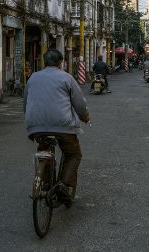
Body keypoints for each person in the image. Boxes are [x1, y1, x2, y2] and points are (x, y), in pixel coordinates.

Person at [24, 49, 90, 206]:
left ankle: (45, 182)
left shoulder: (33, 78)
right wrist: (85, 117)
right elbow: (79, 104)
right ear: (61, 63)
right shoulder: (66, 77)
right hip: (63, 127)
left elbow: (26, 101)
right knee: (73, 154)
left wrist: (31, 121)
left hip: (36, 126)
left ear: (44, 62)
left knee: (43, 149)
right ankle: (64, 185)